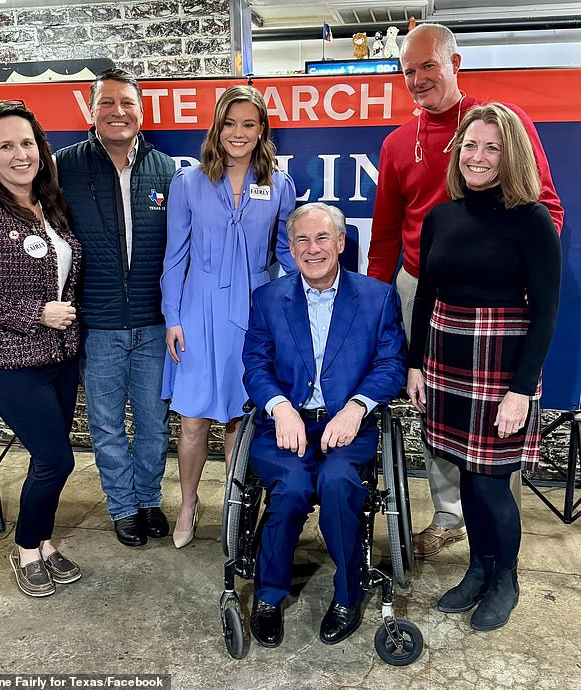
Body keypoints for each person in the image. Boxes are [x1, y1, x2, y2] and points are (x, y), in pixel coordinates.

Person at [368, 23, 564, 558]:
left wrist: (518, 271)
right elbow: (386, 233)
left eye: (428, 66)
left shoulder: (500, 123)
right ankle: (450, 514)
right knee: (437, 411)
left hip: (499, 299)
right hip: (422, 288)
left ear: (456, 63)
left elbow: (546, 206)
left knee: (502, 420)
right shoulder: (394, 144)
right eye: (408, 70)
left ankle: (500, 532)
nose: (417, 79)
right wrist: (377, 298)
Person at [407, 103, 561, 630]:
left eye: (491, 147)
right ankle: (477, 567)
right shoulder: (440, 216)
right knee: (467, 478)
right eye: (470, 145)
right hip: (447, 360)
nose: (478, 156)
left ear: (510, 153)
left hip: (502, 364)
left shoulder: (533, 218)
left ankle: (506, 579)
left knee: (493, 482)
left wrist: (521, 390)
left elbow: (545, 311)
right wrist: (415, 364)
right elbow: (426, 294)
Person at [242, 203, 406, 647]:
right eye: (302, 240)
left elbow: (391, 365)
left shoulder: (377, 297)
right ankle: (270, 597)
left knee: (337, 483)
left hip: (348, 426)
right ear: (290, 248)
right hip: (286, 425)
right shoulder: (268, 299)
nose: (312, 249)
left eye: (321, 239)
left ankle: (348, 596)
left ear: (339, 243)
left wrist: (356, 408)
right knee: (291, 488)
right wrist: (280, 408)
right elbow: (255, 366)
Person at [0, 101, 82, 597]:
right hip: (7, 361)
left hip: (61, 357)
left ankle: (44, 542)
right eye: (6, 145)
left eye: (27, 143)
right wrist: (35, 313)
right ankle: (26, 549)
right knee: (57, 459)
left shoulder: (49, 201)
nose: (19, 154)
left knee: (47, 459)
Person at [161, 85, 296, 549]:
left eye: (249, 124)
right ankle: (188, 502)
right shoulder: (188, 183)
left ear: (262, 131)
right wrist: (172, 317)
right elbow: (174, 257)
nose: (238, 133)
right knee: (194, 419)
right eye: (230, 123)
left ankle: (235, 508)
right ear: (217, 128)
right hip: (197, 313)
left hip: (255, 312)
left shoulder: (279, 185)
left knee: (242, 417)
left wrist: (313, 293)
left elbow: (286, 251)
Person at [55, 69, 176, 548]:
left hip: (153, 323)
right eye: (106, 103)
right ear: (91, 110)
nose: (117, 112)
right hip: (98, 324)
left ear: (141, 110)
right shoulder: (64, 167)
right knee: (106, 426)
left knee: (152, 422)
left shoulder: (167, 170)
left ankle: (148, 500)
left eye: (126, 102)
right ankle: (122, 508)